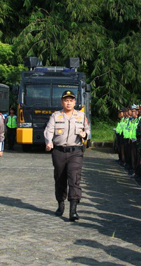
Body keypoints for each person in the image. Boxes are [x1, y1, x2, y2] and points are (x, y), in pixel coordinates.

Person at [44, 90, 90, 221]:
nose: (68, 103)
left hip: (75, 152)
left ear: (75, 102)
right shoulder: (56, 116)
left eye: (71, 100)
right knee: (60, 178)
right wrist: (49, 142)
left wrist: (85, 135)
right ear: (62, 102)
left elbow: (88, 131)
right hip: (59, 151)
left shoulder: (81, 116)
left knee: (74, 179)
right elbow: (49, 130)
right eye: (66, 100)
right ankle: (60, 203)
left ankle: (73, 210)